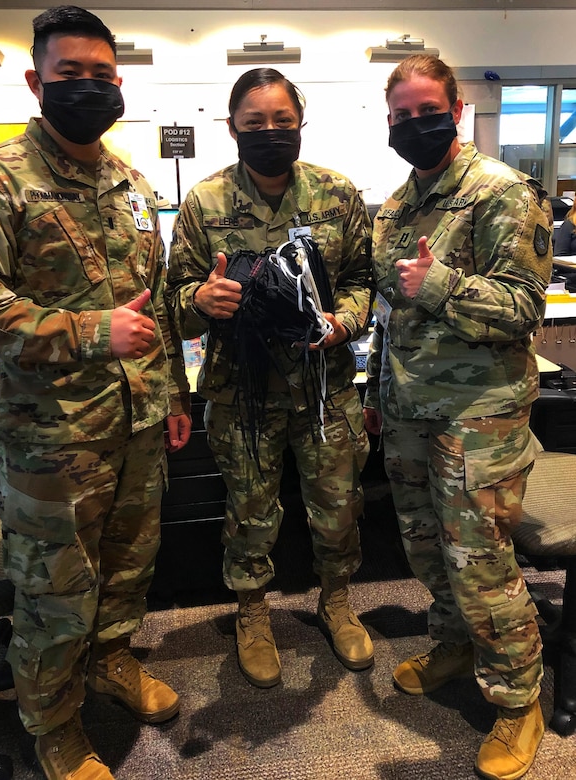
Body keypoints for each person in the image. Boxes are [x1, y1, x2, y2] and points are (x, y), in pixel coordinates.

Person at [0, 6, 191, 780]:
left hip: (137, 419)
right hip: (51, 434)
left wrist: (177, 395)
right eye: (69, 75)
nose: (88, 89)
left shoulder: (129, 178)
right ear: (35, 81)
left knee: (128, 566)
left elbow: (149, 304)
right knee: (55, 590)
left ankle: (113, 661)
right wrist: (92, 333)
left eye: (101, 76)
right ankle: (51, 724)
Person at [363, 54, 553, 780]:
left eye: (426, 111)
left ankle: (517, 700)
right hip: (411, 410)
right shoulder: (396, 206)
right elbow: (391, 318)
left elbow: (520, 310)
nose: (415, 125)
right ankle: (452, 644)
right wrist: (381, 397)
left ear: (456, 110)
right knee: (423, 549)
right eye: (401, 116)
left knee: (480, 566)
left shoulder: (500, 193)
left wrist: (440, 282)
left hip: (479, 417)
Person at [166, 67, 374, 689]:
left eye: (282, 121)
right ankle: (251, 612)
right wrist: (203, 301)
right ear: (232, 128)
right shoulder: (204, 203)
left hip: (323, 387)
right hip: (241, 392)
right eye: (255, 123)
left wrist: (346, 320)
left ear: (301, 125)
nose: (270, 133)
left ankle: (336, 600)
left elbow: (365, 280)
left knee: (337, 508)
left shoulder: (338, 195)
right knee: (251, 511)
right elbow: (170, 300)